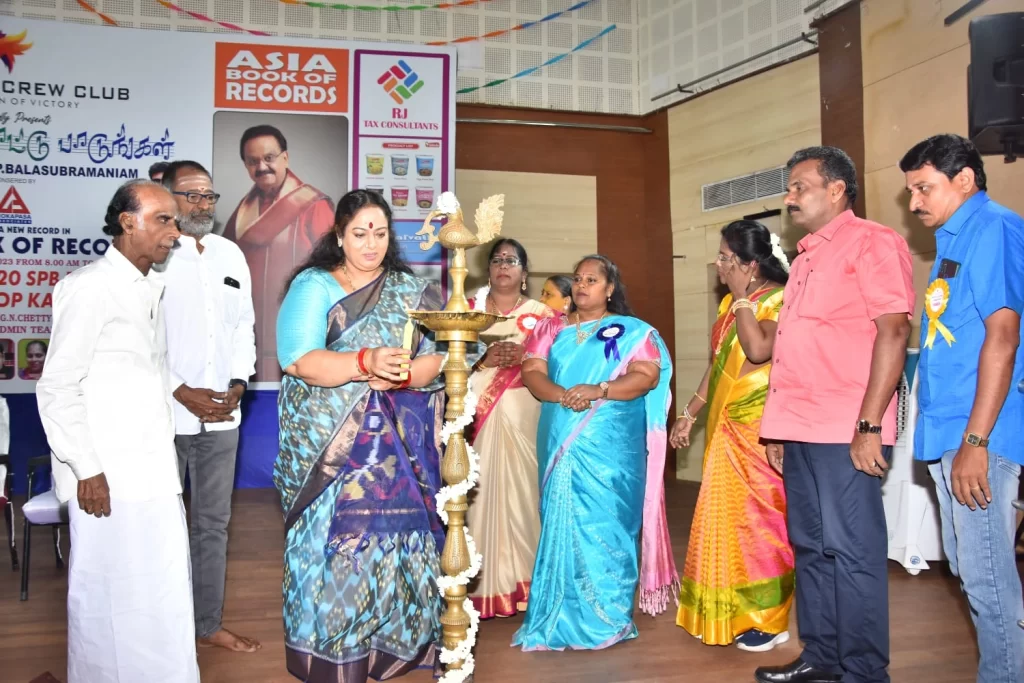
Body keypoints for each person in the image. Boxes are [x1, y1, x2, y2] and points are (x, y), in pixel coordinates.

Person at [275, 189, 466, 682]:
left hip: (395, 450)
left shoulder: (410, 290)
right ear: (339, 236)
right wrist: (365, 362)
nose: (371, 243)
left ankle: (392, 647)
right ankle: (334, 657)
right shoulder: (315, 285)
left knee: (395, 551)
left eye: (380, 233)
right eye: (359, 233)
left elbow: (448, 355)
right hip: (330, 450)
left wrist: (403, 375)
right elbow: (297, 359)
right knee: (337, 554)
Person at [754, 147, 914, 683]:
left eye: (799, 186)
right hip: (799, 427)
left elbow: (894, 331)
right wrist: (778, 429)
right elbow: (794, 351)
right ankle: (822, 657)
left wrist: (869, 424)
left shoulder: (874, 242)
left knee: (853, 550)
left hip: (846, 427)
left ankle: (865, 671)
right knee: (810, 548)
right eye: (790, 187)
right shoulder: (803, 260)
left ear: (837, 189)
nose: (789, 197)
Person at [36, 180, 198, 683]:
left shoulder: (150, 288)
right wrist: (87, 469)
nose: (175, 232)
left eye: (175, 221)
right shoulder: (88, 288)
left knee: (162, 596)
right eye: (164, 220)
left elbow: (145, 370)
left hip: (154, 472)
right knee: (107, 600)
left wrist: (185, 392)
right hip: (106, 478)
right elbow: (58, 386)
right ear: (128, 222)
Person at [900, 134, 1024, 683]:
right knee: (973, 573)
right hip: (950, 430)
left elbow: (1004, 336)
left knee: (989, 579)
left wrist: (976, 441)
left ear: (965, 180)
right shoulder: (954, 239)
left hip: (979, 435)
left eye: (924, 188)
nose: (914, 203)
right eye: (911, 191)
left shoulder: (993, 228)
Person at [511, 254, 677, 651]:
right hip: (561, 436)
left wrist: (599, 389)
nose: (582, 285)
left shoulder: (634, 331)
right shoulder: (550, 328)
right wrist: (564, 396)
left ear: (610, 288)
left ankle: (608, 619)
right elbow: (532, 373)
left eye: (592, 279)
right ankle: (558, 613)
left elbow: (646, 377)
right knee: (562, 520)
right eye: (577, 278)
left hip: (613, 445)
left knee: (609, 523)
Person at [672, 220, 794, 652]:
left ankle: (770, 619)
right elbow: (719, 365)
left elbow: (759, 350)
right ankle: (731, 611)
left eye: (725, 257)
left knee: (761, 525)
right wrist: (689, 413)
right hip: (725, 425)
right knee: (728, 523)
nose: (718, 264)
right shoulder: (729, 305)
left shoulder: (780, 299)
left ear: (750, 264)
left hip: (760, 429)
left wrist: (743, 297)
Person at [160, 161, 260, 654]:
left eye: (209, 196)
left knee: (212, 526)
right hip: (164, 415)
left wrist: (239, 383)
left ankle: (207, 623)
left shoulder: (229, 253)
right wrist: (180, 390)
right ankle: (161, 626)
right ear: (166, 198)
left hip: (222, 415)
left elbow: (243, 326)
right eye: (191, 195)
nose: (202, 204)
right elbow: (139, 337)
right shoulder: (154, 256)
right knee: (160, 525)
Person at [466, 238, 553, 619]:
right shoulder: (465, 310)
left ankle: (528, 583)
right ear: (488, 269)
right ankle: (480, 587)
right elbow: (439, 359)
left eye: (512, 260)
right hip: (475, 415)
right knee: (478, 494)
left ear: (524, 272)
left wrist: (528, 357)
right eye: (497, 260)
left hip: (525, 415)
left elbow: (561, 364)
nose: (504, 265)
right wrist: (481, 358)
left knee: (525, 496)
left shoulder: (543, 315)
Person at [222, 124, 335, 382]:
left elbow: (332, 269)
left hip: (299, 326)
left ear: (285, 158)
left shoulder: (314, 205)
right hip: (249, 328)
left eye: (269, 158)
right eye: (253, 161)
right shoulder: (243, 212)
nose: (262, 167)